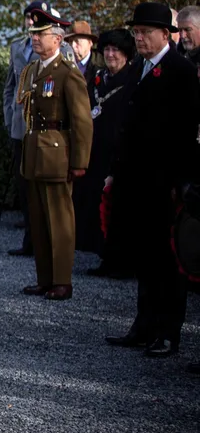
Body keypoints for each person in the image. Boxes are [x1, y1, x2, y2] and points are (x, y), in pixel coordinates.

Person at [105, 2, 200, 358]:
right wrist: (116, 171)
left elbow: (185, 131)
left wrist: (180, 181)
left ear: (166, 34)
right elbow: (127, 126)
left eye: (145, 32)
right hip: (137, 178)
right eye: (137, 32)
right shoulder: (140, 68)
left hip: (164, 181)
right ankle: (143, 325)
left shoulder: (179, 70)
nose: (139, 37)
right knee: (146, 256)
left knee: (167, 260)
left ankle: (168, 331)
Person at [17, 4, 93, 301]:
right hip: (36, 152)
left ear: (58, 40)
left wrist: (80, 161)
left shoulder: (67, 72)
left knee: (60, 220)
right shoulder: (34, 70)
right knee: (38, 219)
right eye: (33, 33)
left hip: (57, 154)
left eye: (42, 34)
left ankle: (62, 280)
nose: (35, 38)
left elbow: (82, 120)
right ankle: (45, 278)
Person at [3, 2, 75, 257]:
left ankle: (47, 243)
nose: (32, 24)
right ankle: (30, 239)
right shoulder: (17, 47)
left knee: (46, 189)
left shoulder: (61, 50)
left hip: (46, 130)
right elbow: (10, 86)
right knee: (25, 185)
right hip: (20, 127)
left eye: (38, 21)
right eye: (30, 19)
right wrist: (10, 116)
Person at [78, 29, 138, 269]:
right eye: (107, 50)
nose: (111, 55)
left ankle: (117, 259)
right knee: (93, 200)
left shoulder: (131, 79)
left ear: (125, 54)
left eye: (116, 50)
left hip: (118, 150)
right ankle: (101, 251)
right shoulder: (98, 78)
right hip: (95, 148)